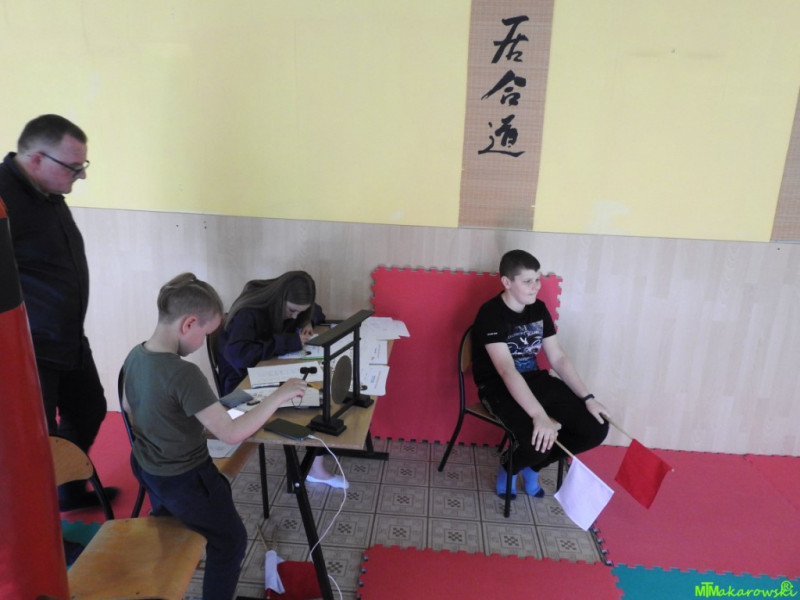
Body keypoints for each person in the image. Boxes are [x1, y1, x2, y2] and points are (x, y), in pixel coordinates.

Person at [122, 273, 307, 600]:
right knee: (232, 541)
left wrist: (199, 414)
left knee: (175, 519)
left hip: (148, 468)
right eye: (206, 334)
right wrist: (278, 396)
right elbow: (231, 434)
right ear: (189, 324)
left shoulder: (135, 356)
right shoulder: (184, 373)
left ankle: (171, 557)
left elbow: (129, 407)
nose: (203, 343)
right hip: (186, 479)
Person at [0, 114, 116, 510]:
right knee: (36, 444)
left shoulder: (46, 190)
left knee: (90, 409)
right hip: (29, 351)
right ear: (36, 159)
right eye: (74, 167)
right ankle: (48, 529)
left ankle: (67, 489)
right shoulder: (3, 198)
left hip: (67, 337)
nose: (82, 175)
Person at [471, 249, 611, 499]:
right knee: (538, 441)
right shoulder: (490, 314)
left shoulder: (538, 309)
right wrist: (539, 415)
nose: (536, 286)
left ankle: (533, 467)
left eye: (537, 279)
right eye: (527, 281)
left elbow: (558, 358)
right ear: (507, 282)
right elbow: (506, 370)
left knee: (596, 428)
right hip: (498, 387)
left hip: (535, 380)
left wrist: (588, 398)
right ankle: (510, 466)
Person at [216, 270, 347, 488]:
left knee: (319, 390)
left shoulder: (288, 304)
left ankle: (314, 466)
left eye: (299, 312)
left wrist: (308, 321)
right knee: (311, 399)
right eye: (292, 311)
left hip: (268, 370)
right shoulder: (249, 312)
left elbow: (316, 310)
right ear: (279, 299)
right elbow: (240, 357)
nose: (294, 317)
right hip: (241, 384)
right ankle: (313, 468)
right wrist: (290, 341)